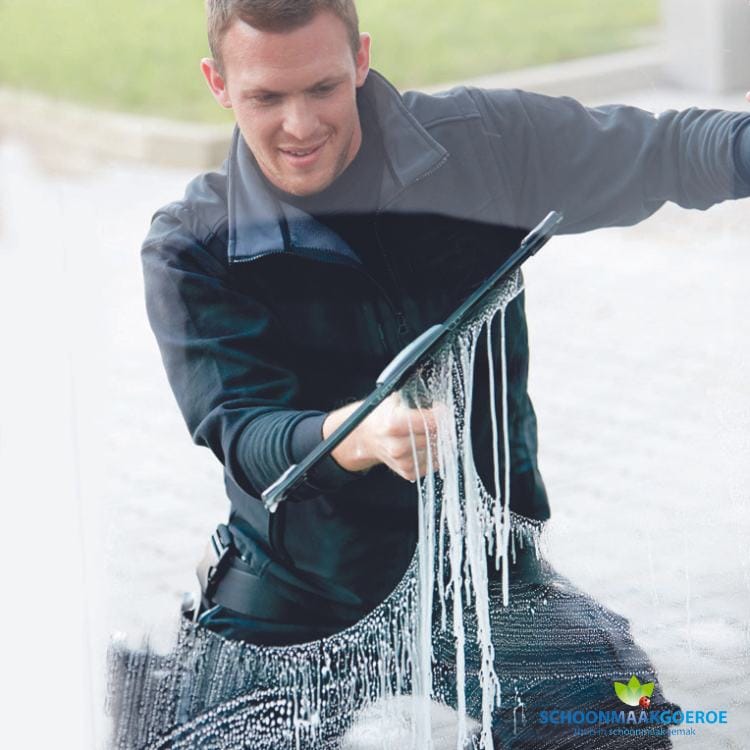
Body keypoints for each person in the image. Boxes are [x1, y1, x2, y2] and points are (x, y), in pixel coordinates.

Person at [139, 0, 750, 746]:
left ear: (360, 59)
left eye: (323, 88)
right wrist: (355, 437)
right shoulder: (191, 246)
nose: (299, 125)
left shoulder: (481, 146)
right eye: (266, 97)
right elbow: (243, 432)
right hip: (296, 591)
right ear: (218, 84)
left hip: (481, 572)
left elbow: (665, 150)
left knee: (617, 721)